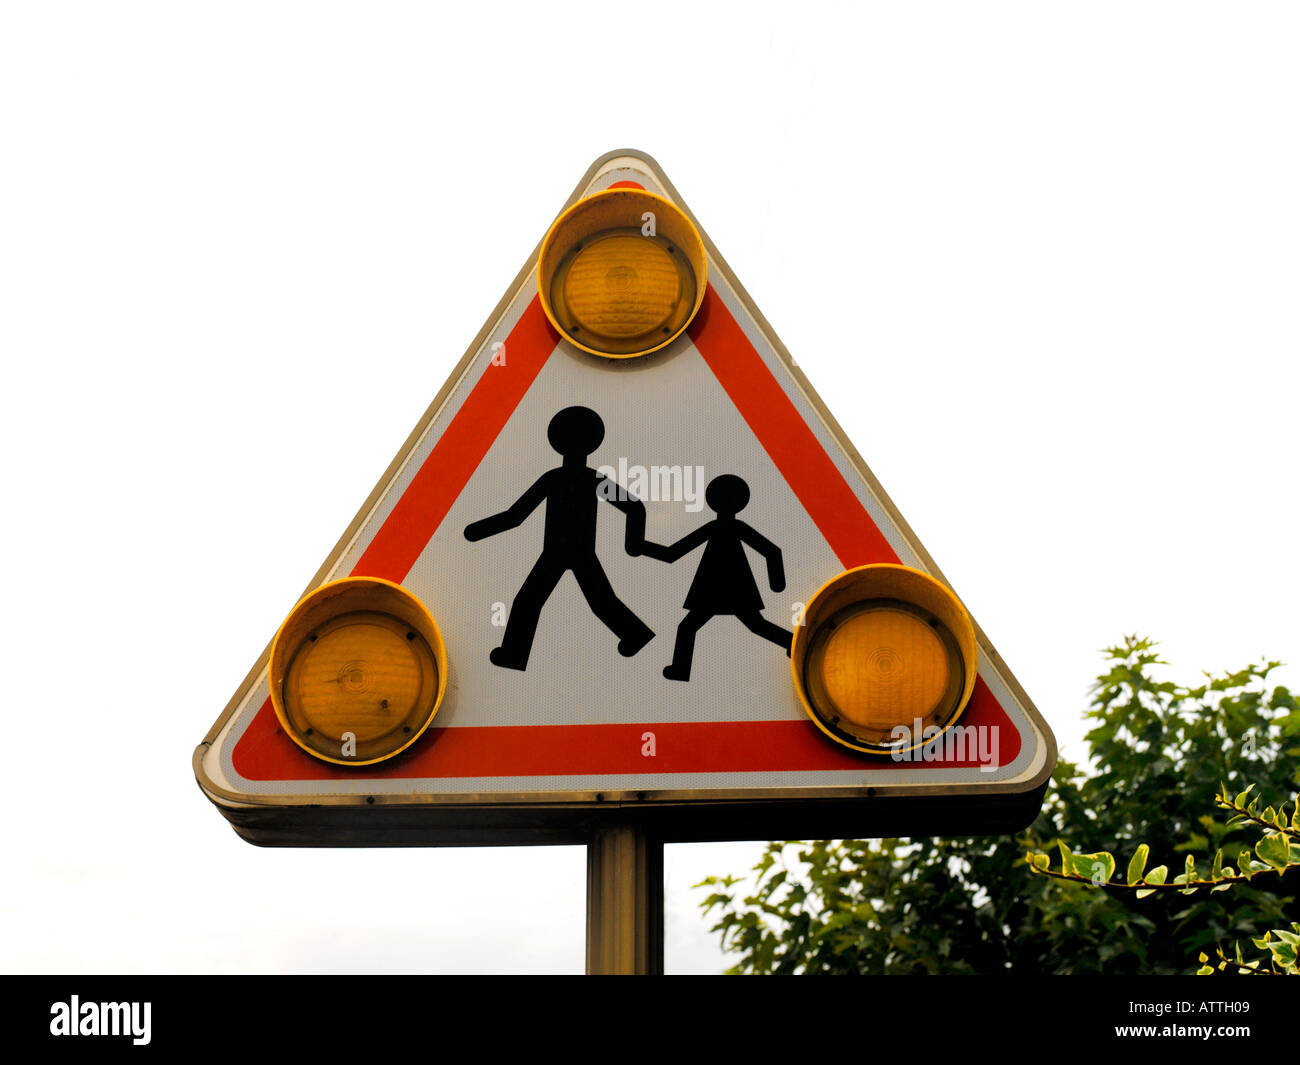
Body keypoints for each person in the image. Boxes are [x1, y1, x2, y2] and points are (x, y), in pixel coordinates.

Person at [464, 405, 653, 670]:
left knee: (533, 601)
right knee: (595, 600)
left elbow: (515, 516)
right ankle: (635, 634)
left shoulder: (558, 478)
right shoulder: (591, 479)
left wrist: (477, 531)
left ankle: (514, 655)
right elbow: (635, 507)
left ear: (556, 441)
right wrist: (633, 543)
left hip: (562, 552)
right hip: (570, 552)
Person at [632, 473, 793, 681]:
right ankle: (791, 641)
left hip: (716, 587)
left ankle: (680, 670)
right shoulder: (733, 527)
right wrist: (776, 582)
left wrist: (643, 548)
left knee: (690, 627)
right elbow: (772, 551)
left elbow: (673, 553)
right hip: (729, 587)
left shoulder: (718, 527)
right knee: (754, 625)